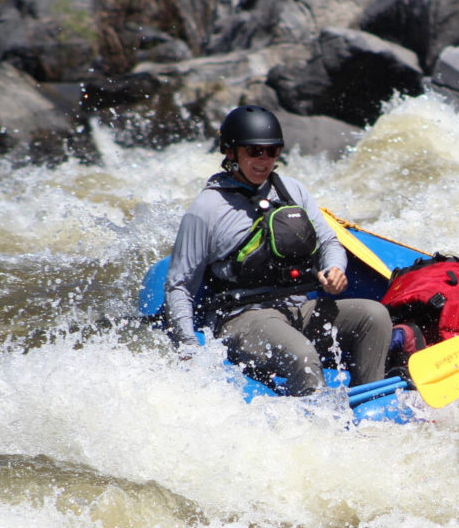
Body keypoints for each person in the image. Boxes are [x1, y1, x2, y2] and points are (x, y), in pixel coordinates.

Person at [164, 104, 391, 396]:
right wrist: (187, 347)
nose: (264, 160)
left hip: (297, 308)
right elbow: (179, 285)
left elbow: (329, 242)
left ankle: (370, 405)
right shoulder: (206, 209)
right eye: (254, 151)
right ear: (231, 152)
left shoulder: (292, 190)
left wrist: (335, 269)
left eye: (272, 151)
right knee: (304, 356)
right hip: (243, 317)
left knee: (374, 315)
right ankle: (319, 427)